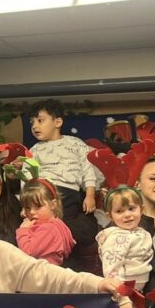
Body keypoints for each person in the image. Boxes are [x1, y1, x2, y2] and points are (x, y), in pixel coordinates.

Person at [27, 99, 101, 272]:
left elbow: (87, 169)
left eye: (40, 120)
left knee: (67, 228)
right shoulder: (35, 150)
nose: (35, 126)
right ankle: (50, 263)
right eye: (32, 123)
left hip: (71, 195)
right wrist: (27, 203)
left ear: (58, 122)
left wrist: (90, 195)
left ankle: (67, 266)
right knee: (46, 228)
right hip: (44, 195)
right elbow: (28, 176)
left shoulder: (75, 143)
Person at [97, 186, 153, 308]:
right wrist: (123, 298)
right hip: (124, 295)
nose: (127, 215)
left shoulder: (143, 232)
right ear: (110, 216)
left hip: (139, 293)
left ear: (142, 209)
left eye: (131, 209)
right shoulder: (116, 238)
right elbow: (111, 272)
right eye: (119, 211)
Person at [16, 179, 75, 266]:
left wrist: (22, 231)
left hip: (41, 275)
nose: (31, 212)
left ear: (53, 204)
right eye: (28, 208)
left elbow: (28, 251)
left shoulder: (49, 230)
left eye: (38, 206)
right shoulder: (57, 225)